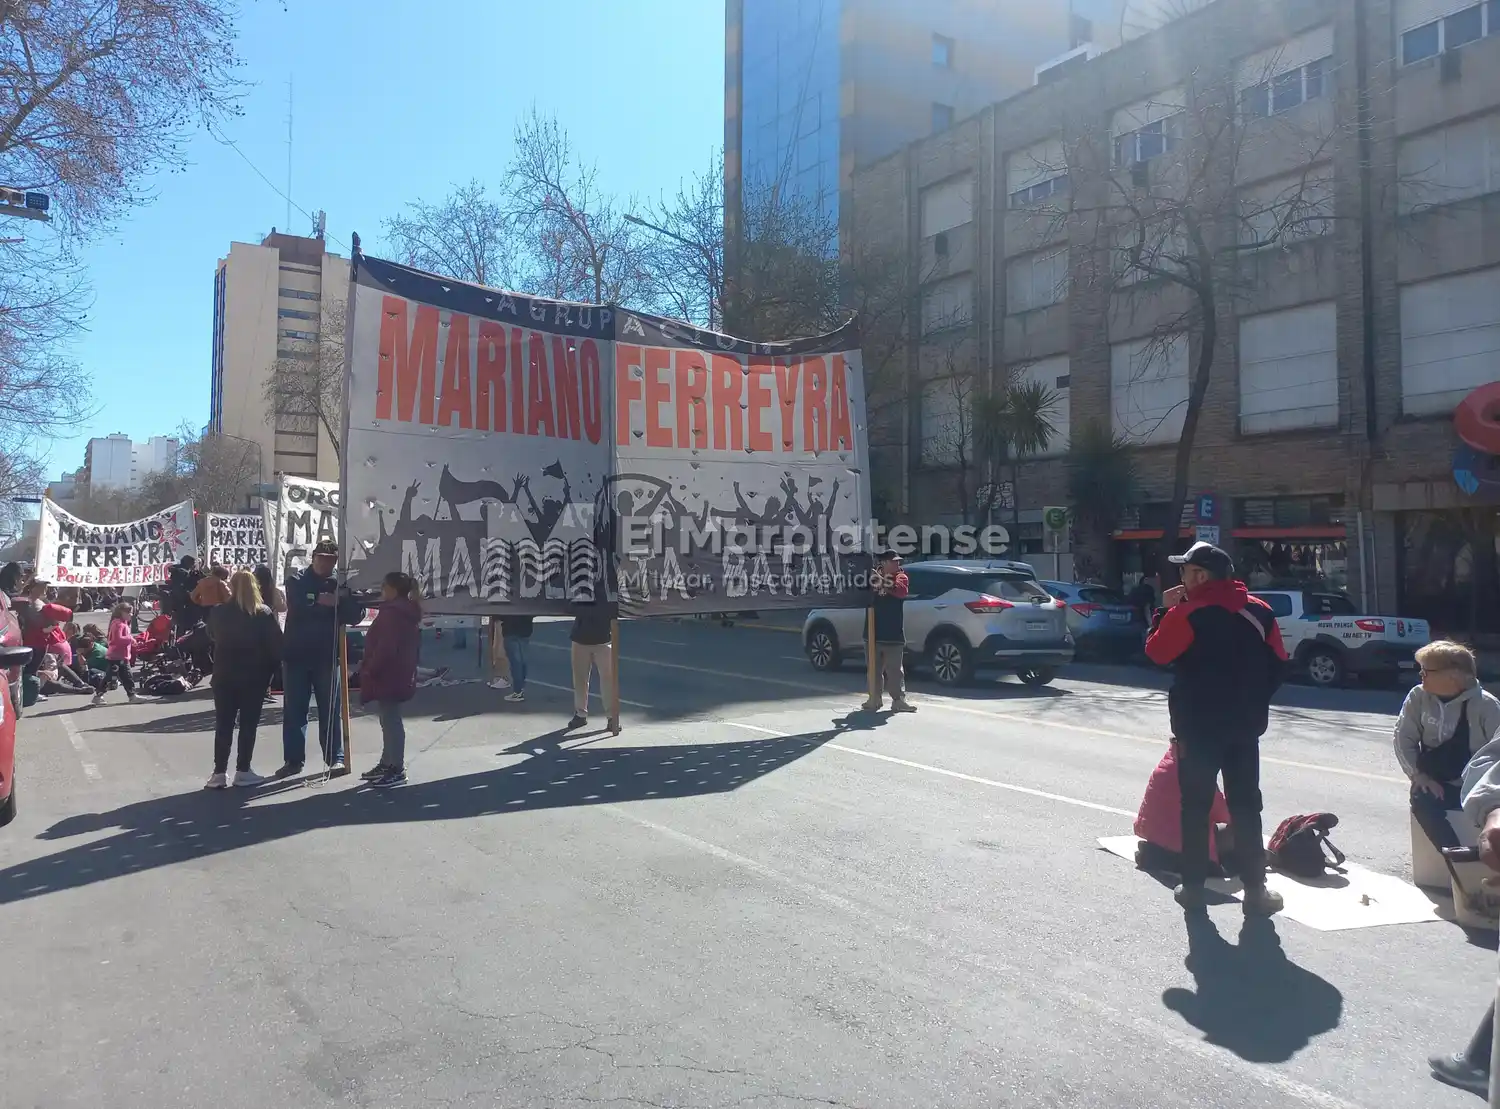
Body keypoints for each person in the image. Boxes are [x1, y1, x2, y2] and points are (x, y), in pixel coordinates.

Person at [1143, 541, 1287, 915]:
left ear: (1200, 576)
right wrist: (1251, 701)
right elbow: (1279, 666)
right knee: (1246, 806)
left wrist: (1164, 611)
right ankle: (1256, 890)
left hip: (1198, 728)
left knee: (1194, 807)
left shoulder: (1187, 614)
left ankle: (1192, 888)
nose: (1182, 579)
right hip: (1244, 727)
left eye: (1186, 572)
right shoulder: (1260, 612)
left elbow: (1157, 653)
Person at [1395, 640, 1500, 852]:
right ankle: (1454, 858)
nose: (1421, 675)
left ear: (1453, 675)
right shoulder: (1418, 696)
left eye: (1427, 670)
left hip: (1476, 785)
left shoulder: (1487, 706)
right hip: (1436, 781)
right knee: (1421, 798)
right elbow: (1403, 738)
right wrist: (1419, 776)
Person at [277, 540, 365, 779]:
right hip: (296, 655)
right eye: (322, 557)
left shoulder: (341, 584)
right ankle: (293, 760)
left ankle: (334, 757)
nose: (326, 562)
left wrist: (337, 602)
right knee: (295, 710)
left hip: (327, 655)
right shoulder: (296, 579)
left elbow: (356, 614)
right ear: (313, 557)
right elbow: (299, 605)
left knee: (331, 709)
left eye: (331, 559)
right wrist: (324, 602)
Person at [204, 571, 284, 789]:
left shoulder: (219, 612)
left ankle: (219, 772)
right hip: (254, 677)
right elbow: (276, 647)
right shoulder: (263, 613)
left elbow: (211, 636)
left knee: (224, 724)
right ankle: (243, 769)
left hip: (224, 675)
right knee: (248, 725)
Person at [358, 571, 424, 788]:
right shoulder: (403, 611)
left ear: (393, 590)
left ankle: (396, 767)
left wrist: (370, 669)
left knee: (391, 721)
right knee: (388, 719)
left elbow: (386, 648)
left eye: (384, 587)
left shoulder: (392, 613)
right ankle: (388, 763)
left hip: (389, 673)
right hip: (399, 672)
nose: (381, 591)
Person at [862, 550, 915, 713]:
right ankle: (874, 698)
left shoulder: (901, 577)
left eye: (898, 561)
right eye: (894, 561)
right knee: (873, 669)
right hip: (872, 631)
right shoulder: (871, 577)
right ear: (884, 563)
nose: (897, 564)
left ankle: (898, 700)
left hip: (893, 633)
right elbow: (860, 594)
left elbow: (900, 591)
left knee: (895, 671)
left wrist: (881, 581)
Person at [568, 602, 618, 733]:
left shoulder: (607, 588)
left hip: (604, 640)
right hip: (580, 638)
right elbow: (569, 606)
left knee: (608, 680)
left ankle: (612, 717)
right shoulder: (580, 586)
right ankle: (580, 714)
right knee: (580, 679)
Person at [17, 579, 71, 701]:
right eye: (43, 587)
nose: (45, 589)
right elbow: (37, 625)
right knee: (31, 669)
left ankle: (32, 692)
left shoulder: (37, 601)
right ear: (34, 587)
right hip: (35, 642)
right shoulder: (32, 603)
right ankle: (30, 694)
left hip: (40, 641)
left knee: (32, 669)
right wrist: (51, 626)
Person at [94, 601, 142, 705]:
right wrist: (130, 639)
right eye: (129, 613)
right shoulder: (119, 624)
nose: (131, 615)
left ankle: (132, 695)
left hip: (120, 656)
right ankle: (99, 695)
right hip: (118, 656)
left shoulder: (120, 623)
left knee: (125, 677)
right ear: (122, 613)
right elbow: (117, 639)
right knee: (115, 677)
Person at [500, 614, 533, 702]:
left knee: (516, 663)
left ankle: (518, 691)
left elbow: (500, 615)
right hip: (526, 630)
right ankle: (520, 689)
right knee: (522, 661)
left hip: (510, 630)